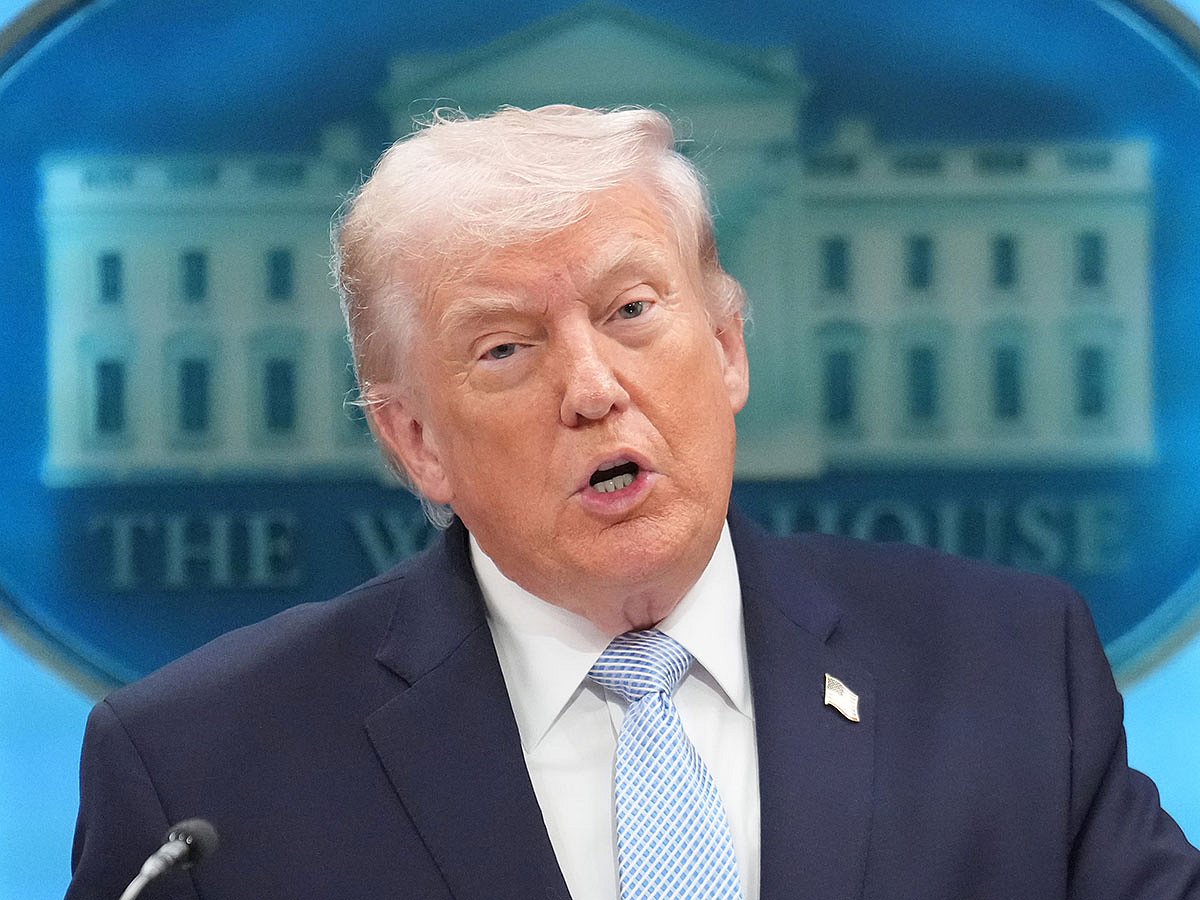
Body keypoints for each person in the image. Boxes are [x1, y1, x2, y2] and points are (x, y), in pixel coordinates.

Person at [66, 105, 1199, 900]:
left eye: (632, 310)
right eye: (506, 348)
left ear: (728, 347)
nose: (595, 388)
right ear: (416, 440)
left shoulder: (1008, 670)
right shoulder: (203, 776)